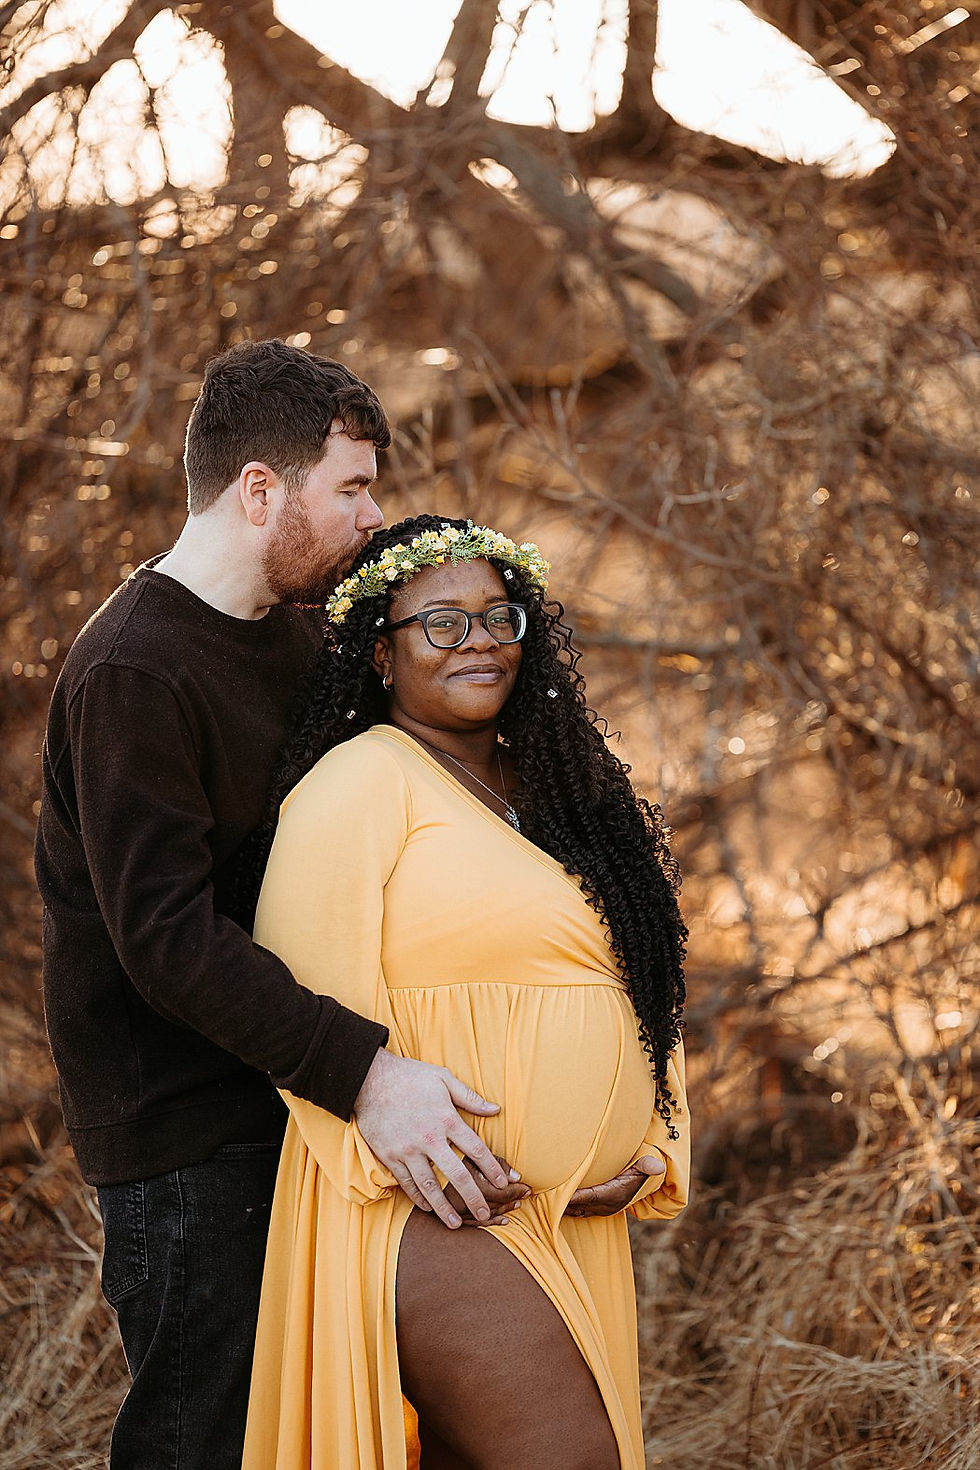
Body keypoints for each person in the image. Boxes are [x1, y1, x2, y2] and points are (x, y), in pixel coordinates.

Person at [33, 343, 522, 1470]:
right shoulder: (134, 672)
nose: (373, 516)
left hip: (308, 1116)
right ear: (261, 490)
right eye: (349, 488)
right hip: (192, 1148)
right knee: (206, 1443)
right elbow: (165, 943)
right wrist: (368, 1075)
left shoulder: (304, 639)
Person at [240, 514, 691, 1470]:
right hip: (438, 1215)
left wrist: (651, 1140)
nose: (479, 641)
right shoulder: (358, 784)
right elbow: (295, 1012)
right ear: (379, 652)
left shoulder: (564, 794)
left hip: (571, 1220)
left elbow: (640, 976)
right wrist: (408, 1166)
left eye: (499, 617)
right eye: (441, 624)